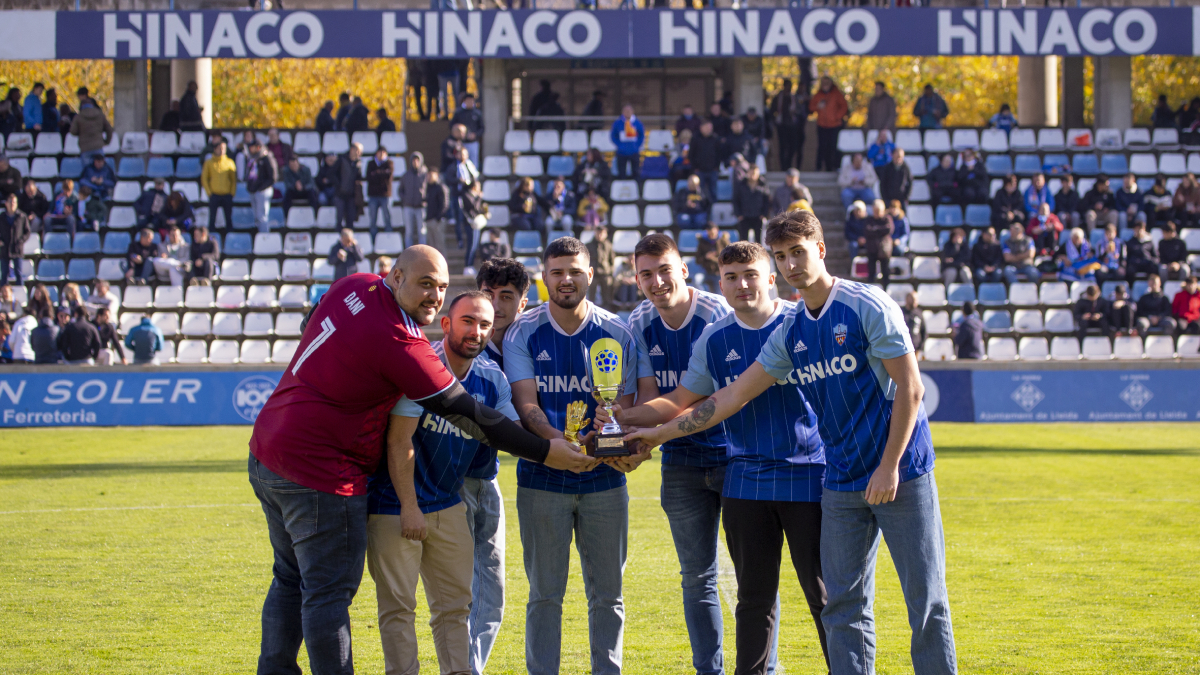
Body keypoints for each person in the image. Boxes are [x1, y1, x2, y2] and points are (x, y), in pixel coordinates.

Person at [628, 210, 957, 675]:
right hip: (841, 480)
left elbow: (912, 388)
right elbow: (729, 398)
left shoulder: (868, 304)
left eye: (797, 252)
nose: (790, 264)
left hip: (900, 473)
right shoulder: (790, 331)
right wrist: (657, 433)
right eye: (781, 256)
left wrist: (889, 466)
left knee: (925, 602)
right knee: (842, 605)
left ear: (820, 251)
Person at [250, 246, 593, 674]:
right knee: (327, 593)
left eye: (442, 286)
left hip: (267, 450)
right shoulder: (403, 343)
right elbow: (470, 414)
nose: (433, 295)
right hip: (322, 470)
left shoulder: (353, 285)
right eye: (425, 283)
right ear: (396, 277)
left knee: (290, 579)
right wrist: (546, 452)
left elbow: (312, 322)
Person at [611, 236, 821, 675]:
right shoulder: (661, 325)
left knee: (801, 590)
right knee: (715, 583)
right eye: (645, 274)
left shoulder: (747, 318)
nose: (656, 281)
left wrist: (651, 433)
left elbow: (725, 400)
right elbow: (676, 397)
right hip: (697, 465)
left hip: (757, 464)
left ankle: (789, 666)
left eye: (663, 269)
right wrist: (620, 420)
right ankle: (716, 670)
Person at [501, 236, 648, 675]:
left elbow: (623, 407)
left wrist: (616, 431)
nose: (566, 279)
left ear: (590, 274)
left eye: (575, 271)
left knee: (608, 594)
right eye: (557, 272)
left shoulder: (617, 333)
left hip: (604, 479)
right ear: (544, 278)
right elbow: (526, 406)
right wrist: (555, 448)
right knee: (545, 594)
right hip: (543, 477)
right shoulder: (522, 332)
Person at [367, 291, 515, 675]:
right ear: (446, 323)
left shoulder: (492, 379)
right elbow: (399, 442)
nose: (476, 332)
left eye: (485, 325)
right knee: (399, 607)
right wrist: (409, 507)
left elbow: (513, 434)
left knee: (455, 606)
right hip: (394, 505)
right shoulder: (421, 365)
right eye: (467, 321)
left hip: (448, 503)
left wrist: (563, 444)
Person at [810, 76, 848, 172]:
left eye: (827, 82)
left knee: (834, 147)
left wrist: (837, 117)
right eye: (823, 82)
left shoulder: (836, 94)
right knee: (822, 147)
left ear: (831, 83)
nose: (825, 85)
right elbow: (811, 107)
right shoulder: (818, 95)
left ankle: (834, 167)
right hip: (822, 125)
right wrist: (817, 106)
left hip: (835, 125)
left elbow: (844, 107)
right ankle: (819, 168)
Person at [201, 140, 237, 230]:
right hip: (214, 194)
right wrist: (209, 193)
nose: (222, 151)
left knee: (229, 219)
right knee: (212, 219)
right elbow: (204, 178)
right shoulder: (209, 163)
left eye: (224, 149)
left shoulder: (230, 162)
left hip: (227, 194)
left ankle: (229, 236)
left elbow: (233, 179)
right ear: (215, 149)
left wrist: (232, 193)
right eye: (220, 148)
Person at [243, 138, 277, 234]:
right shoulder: (252, 159)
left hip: (263, 191)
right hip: (253, 191)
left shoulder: (267, 158)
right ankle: (258, 236)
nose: (250, 149)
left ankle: (264, 237)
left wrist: (261, 188)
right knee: (256, 216)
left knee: (262, 216)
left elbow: (272, 177)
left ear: (258, 147)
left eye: (252, 147)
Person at [396, 151, 429, 247]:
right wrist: (405, 199)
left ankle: (423, 252)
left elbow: (429, 189)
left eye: (417, 160)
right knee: (409, 231)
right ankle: (408, 252)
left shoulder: (425, 175)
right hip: (408, 206)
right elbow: (400, 190)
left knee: (422, 231)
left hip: (421, 207)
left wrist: (425, 199)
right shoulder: (406, 175)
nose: (415, 163)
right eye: (413, 160)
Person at [69, 95, 113, 166]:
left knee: (87, 171)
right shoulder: (100, 115)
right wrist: (106, 141)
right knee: (100, 170)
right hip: (98, 146)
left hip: (85, 147)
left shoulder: (79, 117)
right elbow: (109, 129)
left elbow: (72, 131)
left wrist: (81, 132)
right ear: (92, 105)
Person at [772, 80, 805, 171]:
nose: (788, 88)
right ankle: (783, 167)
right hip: (781, 126)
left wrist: (794, 112)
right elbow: (772, 110)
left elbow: (800, 111)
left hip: (793, 126)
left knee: (793, 147)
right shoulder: (778, 98)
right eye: (787, 86)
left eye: (790, 86)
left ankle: (789, 165)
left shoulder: (794, 98)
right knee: (783, 147)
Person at [733, 165, 771, 243]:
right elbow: (735, 200)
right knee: (743, 241)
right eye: (751, 173)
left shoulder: (763, 185)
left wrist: (764, 214)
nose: (753, 175)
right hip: (744, 216)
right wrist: (739, 214)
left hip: (758, 216)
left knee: (758, 240)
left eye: (755, 173)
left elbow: (767, 201)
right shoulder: (741, 185)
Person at [1, 193, 30, 287]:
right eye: (10, 202)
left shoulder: (21, 216)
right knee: (4, 274)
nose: (12, 204)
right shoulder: (2, 217)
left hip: (17, 248)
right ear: (6, 203)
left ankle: (20, 294)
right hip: (4, 248)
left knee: (18, 273)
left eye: (14, 202)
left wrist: (21, 241)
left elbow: (27, 232)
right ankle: (2, 296)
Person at [582, 225, 614, 311]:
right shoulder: (588, 246)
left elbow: (612, 261)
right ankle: (589, 311)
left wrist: (609, 270)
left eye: (602, 233)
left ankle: (607, 310)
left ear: (606, 234)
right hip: (593, 274)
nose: (600, 235)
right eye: (598, 233)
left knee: (607, 293)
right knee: (591, 295)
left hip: (605, 274)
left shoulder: (608, 246)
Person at [863, 199, 895, 284]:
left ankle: (886, 289)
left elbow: (888, 229)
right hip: (872, 249)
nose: (877, 213)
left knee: (885, 272)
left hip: (884, 249)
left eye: (878, 211)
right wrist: (880, 231)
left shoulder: (887, 218)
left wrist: (875, 229)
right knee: (871, 273)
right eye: (875, 211)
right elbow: (867, 231)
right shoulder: (869, 219)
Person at [365, 148, 395, 239]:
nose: (381, 154)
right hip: (373, 195)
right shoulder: (371, 164)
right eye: (379, 152)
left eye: (383, 152)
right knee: (373, 218)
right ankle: (373, 239)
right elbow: (369, 177)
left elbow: (388, 176)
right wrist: (382, 174)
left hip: (385, 195)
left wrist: (377, 173)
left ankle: (389, 237)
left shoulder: (389, 163)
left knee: (387, 217)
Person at [335, 143, 365, 231]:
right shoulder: (342, 159)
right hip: (340, 194)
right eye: (358, 151)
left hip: (352, 195)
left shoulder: (358, 162)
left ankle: (349, 241)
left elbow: (358, 177)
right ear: (352, 149)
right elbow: (331, 173)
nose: (359, 154)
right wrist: (339, 184)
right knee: (339, 219)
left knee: (350, 220)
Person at [610, 104, 645, 179]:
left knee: (635, 172)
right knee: (621, 173)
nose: (628, 113)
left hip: (634, 151)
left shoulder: (637, 123)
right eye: (626, 111)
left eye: (629, 111)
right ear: (623, 112)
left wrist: (637, 145)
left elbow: (641, 135)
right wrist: (619, 145)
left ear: (632, 112)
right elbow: (613, 136)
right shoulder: (617, 123)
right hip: (621, 152)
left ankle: (636, 188)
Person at [695, 221, 730, 294]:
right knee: (697, 280)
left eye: (713, 231)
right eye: (709, 231)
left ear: (717, 230)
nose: (712, 234)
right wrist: (706, 257)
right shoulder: (702, 242)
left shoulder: (723, 241)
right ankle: (704, 297)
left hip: (719, 272)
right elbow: (697, 260)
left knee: (718, 292)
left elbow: (729, 258)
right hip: (705, 271)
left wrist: (713, 258)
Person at [450, 93, 484, 166]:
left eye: (471, 101)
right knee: (461, 163)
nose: (470, 103)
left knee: (474, 163)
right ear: (464, 101)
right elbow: (451, 126)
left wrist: (475, 134)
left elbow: (482, 128)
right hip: (461, 143)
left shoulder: (477, 113)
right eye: (468, 101)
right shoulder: (459, 113)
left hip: (473, 143)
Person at [425, 170, 450, 254]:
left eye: (431, 175)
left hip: (437, 221)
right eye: (428, 175)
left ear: (437, 175)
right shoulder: (428, 187)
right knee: (431, 247)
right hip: (429, 219)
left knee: (440, 246)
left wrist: (438, 218)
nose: (429, 177)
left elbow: (445, 204)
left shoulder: (441, 187)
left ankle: (442, 266)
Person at [902, 291, 926, 356]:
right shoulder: (901, 313)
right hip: (903, 347)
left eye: (916, 299)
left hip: (916, 347)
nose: (915, 301)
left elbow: (923, 331)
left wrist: (921, 346)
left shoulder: (919, 313)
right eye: (913, 299)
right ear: (907, 299)